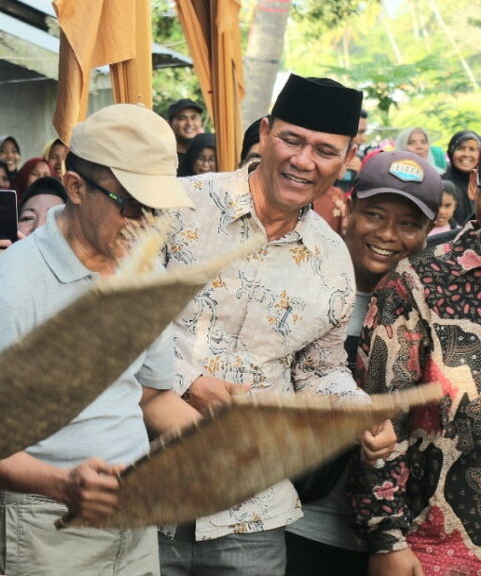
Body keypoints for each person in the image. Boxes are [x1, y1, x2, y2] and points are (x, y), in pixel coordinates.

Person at [158, 74, 395, 575]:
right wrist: (185, 382)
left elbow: (320, 368)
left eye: (325, 151)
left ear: (348, 158)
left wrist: (359, 412)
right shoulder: (176, 208)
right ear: (264, 133)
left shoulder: (331, 258)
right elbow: (115, 323)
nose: (304, 161)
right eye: (292, 140)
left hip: (251, 516)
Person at [0, 103, 201, 576]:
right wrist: (63, 484)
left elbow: (151, 395)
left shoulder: (144, 269)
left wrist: (220, 443)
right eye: (130, 206)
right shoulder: (10, 288)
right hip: (41, 527)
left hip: (131, 521)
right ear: (75, 186)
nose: (145, 224)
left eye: (157, 210)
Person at [285, 151, 440, 576]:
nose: (388, 234)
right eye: (375, 214)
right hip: (295, 529)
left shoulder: (431, 317)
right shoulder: (301, 290)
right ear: (348, 209)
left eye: (409, 224)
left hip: (392, 547)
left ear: (429, 232)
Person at [349, 167, 481, 575]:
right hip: (438, 551)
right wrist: (386, 538)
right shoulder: (419, 282)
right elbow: (381, 419)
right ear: (476, 183)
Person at [442, 129, 480, 227]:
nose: (466, 154)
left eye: (472, 149)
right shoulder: (440, 184)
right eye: (461, 148)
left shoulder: (479, 184)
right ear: (451, 152)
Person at [336, 109, 369, 192]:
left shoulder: (362, 160)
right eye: (360, 132)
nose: (364, 139)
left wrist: (360, 175)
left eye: (364, 132)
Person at [165, 98, 204, 166]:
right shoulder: (164, 156)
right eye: (182, 118)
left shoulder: (208, 154)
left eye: (194, 118)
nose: (189, 123)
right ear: (170, 124)